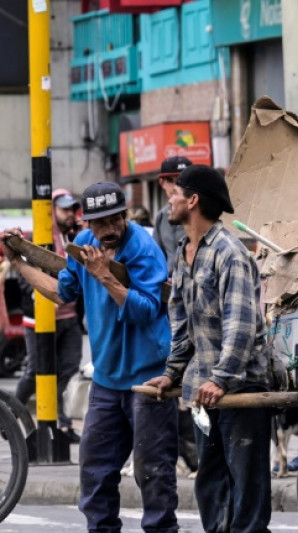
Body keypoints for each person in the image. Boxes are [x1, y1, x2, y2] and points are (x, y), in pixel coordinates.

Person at [2, 182, 179, 532]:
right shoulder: (82, 246)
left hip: (148, 381)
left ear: (125, 216)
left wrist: (105, 277)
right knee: (95, 474)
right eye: (100, 223)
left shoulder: (143, 250)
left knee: (154, 473)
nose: (109, 229)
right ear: (86, 222)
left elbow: (146, 310)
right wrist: (18, 263)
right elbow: (61, 292)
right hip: (106, 381)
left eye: (115, 220)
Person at [145, 164, 273, 533]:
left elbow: (241, 323)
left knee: (246, 486)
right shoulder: (183, 252)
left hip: (240, 385)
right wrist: (172, 373)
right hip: (204, 388)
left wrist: (221, 377)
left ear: (193, 201)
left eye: (175, 193)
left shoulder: (229, 253)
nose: (169, 201)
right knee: (212, 482)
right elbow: (182, 323)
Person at [14, 189, 85, 443]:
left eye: (72, 209)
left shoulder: (75, 237)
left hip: (69, 317)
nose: (70, 214)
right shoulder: (37, 237)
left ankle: (63, 426)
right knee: (36, 371)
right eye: (64, 209)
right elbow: (22, 274)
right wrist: (37, 297)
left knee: (68, 370)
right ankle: (8, 417)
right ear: (51, 210)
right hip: (40, 319)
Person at [153, 156, 192, 275]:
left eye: (182, 180)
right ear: (162, 182)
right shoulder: (162, 216)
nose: (177, 186)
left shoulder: (199, 213)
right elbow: (156, 256)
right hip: (170, 281)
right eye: (171, 180)